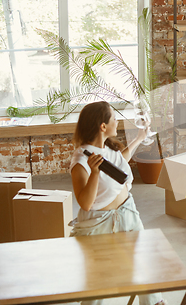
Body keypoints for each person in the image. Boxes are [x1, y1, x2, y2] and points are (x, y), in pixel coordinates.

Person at [69, 101, 166, 305]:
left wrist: (139, 138)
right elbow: (85, 203)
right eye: (114, 117)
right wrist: (94, 172)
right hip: (98, 223)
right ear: (102, 126)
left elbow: (118, 162)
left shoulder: (106, 149)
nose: (118, 121)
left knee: (144, 264)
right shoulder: (81, 160)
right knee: (97, 279)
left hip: (127, 214)